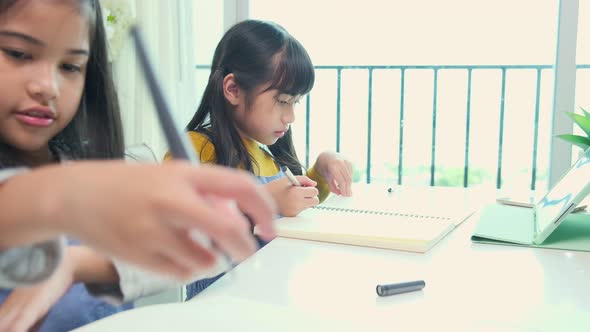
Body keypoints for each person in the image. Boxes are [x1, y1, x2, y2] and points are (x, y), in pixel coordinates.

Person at [0, 1, 275, 330]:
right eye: (18, 53)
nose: (48, 87)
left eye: (70, 66)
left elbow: (194, 256)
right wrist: (69, 193)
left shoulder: (82, 165)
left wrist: (79, 263)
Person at [171, 19, 353, 299]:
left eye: (296, 102)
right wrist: (264, 200)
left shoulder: (266, 151)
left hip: (266, 297)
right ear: (233, 90)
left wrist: (322, 168)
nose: (290, 117)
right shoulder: (197, 148)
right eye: (282, 101)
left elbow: (290, 203)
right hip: (216, 308)